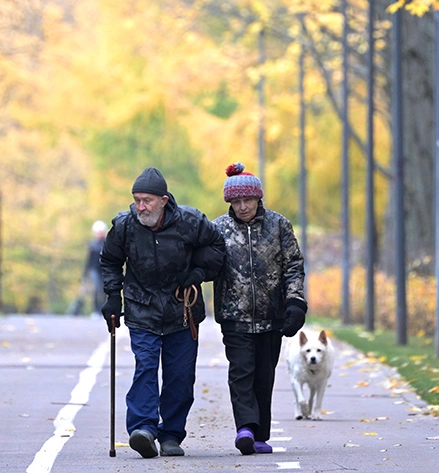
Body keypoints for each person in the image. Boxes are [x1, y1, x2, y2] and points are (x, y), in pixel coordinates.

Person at [100, 167, 226, 459]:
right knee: (145, 366)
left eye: (146, 200)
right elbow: (109, 261)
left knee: (180, 376)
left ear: (164, 200)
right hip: (141, 308)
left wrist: (197, 273)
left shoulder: (191, 222)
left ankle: (171, 434)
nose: (140, 206)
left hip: (182, 310)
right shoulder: (125, 225)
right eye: (136, 200)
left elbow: (217, 246)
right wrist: (111, 296)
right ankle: (143, 429)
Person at [209, 162, 307, 456]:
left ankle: (260, 434)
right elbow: (207, 263)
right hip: (234, 316)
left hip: (271, 316)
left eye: (247, 200)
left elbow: (293, 266)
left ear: (258, 198)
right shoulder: (218, 229)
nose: (242, 207)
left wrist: (295, 302)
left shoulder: (279, 226)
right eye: (236, 201)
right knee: (241, 372)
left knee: (264, 376)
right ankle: (246, 429)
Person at [85, 220, 107, 315]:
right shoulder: (92, 244)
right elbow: (89, 260)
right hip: (94, 270)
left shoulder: (108, 243)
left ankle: (104, 310)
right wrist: (85, 274)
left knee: (106, 289)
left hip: (105, 269)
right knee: (97, 289)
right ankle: (96, 310)